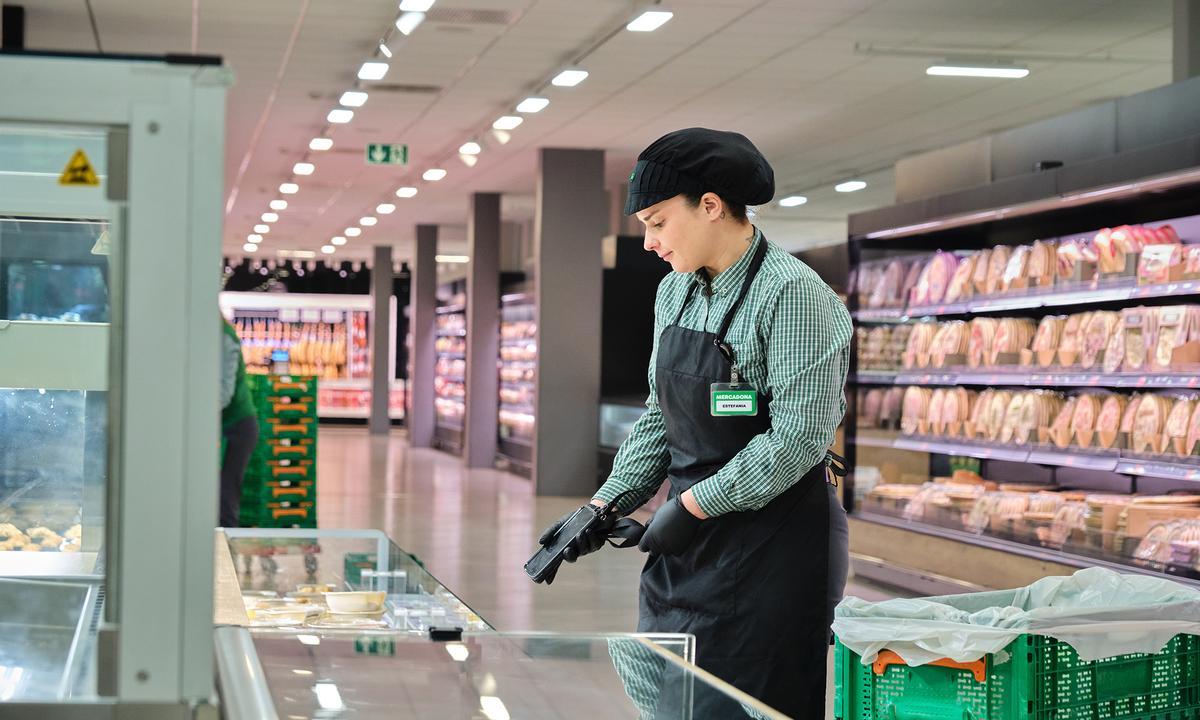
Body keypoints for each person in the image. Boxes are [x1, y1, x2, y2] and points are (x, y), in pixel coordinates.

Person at [536, 128, 852, 718]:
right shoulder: (674, 292)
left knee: (744, 704)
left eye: (657, 222)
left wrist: (691, 507)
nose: (650, 243)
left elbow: (799, 438)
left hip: (772, 549)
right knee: (672, 698)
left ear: (710, 206)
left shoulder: (794, 296)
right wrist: (603, 505)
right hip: (687, 550)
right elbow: (662, 413)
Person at [220, 314, 258, 528]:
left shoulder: (225, 339)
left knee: (226, 495)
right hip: (225, 426)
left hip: (238, 427)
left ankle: (226, 552)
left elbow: (223, 393)